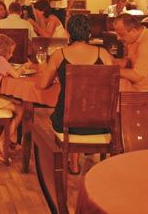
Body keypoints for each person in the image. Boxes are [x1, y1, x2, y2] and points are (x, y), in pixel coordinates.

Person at [37, 14, 114, 174]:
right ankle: (80, 163)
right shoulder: (103, 54)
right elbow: (111, 87)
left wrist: (44, 65)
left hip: (66, 123)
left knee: (70, 109)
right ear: (89, 33)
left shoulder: (59, 55)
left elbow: (43, 84)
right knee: (82, 108)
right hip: (100, 123)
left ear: (68, 33)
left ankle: (73, 163)